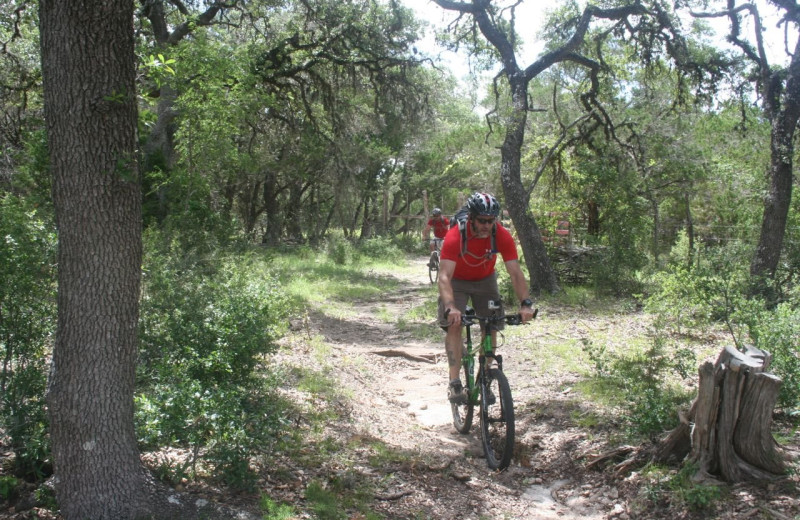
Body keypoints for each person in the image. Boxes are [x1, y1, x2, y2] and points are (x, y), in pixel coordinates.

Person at [437, 192, 536, 403]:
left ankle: (485, 378)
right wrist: (450, 306)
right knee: (455, 324)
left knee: (491, 325)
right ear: (472, 218)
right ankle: (455, 383)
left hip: (485, 279)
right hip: (457, 280)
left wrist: (525, 303)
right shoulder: (456, 235)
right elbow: (444, 276)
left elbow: (516, 273)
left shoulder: (500, 235)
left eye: (491, 221)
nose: (486, 225)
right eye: (482, 220)